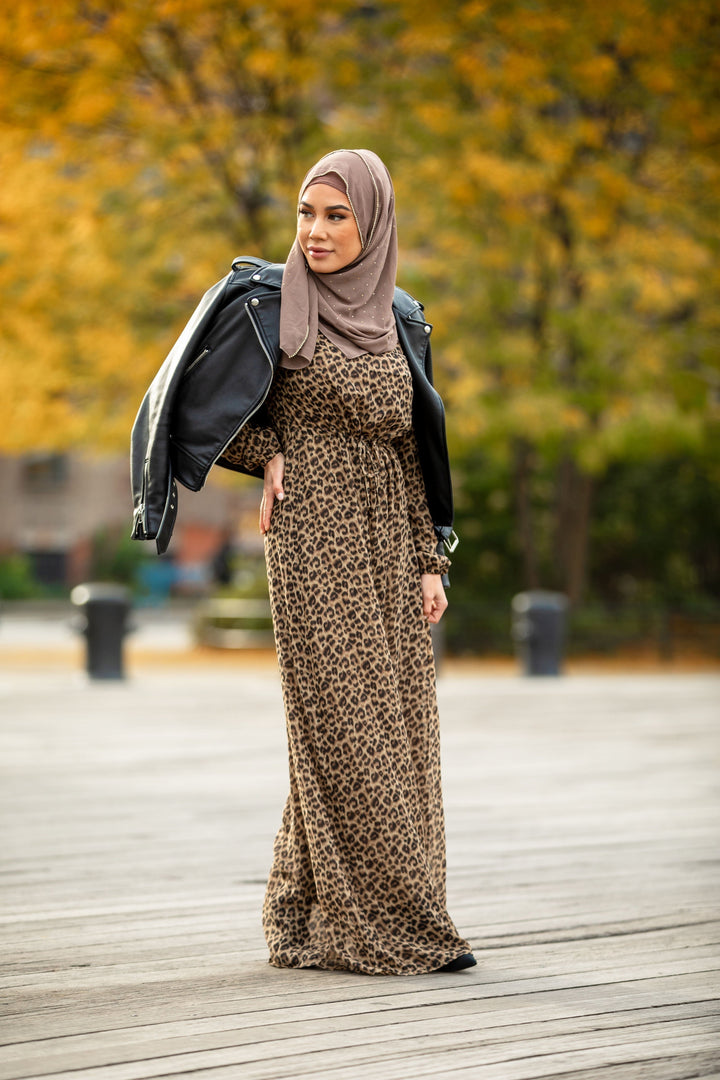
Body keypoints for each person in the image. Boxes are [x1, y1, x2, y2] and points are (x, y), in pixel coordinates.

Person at [217, 149, 475, 975]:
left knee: (392, 729)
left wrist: (429, 560)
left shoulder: (398, 316)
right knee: (346, 728)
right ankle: (402, 928)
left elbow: (411, 451)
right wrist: (267, 452)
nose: (317, 232)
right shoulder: (265, 303)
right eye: (305, 213)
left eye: (337, 215)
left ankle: (299, 912)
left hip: (388, 544)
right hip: (312, 534)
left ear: (374, 224)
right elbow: (204, 409)